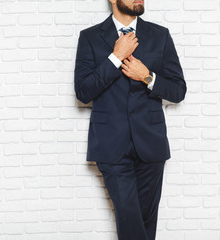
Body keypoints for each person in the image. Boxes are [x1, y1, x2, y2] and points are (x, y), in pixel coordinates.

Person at [74, 0, 187, 239]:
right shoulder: (90, 37)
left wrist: (147, 76)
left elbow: (178, 91)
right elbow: (83, 92)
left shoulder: (160, 35)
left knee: (145, 223)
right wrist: (115, 57)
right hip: (110, 145)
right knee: (130, 218)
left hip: (151, 143)